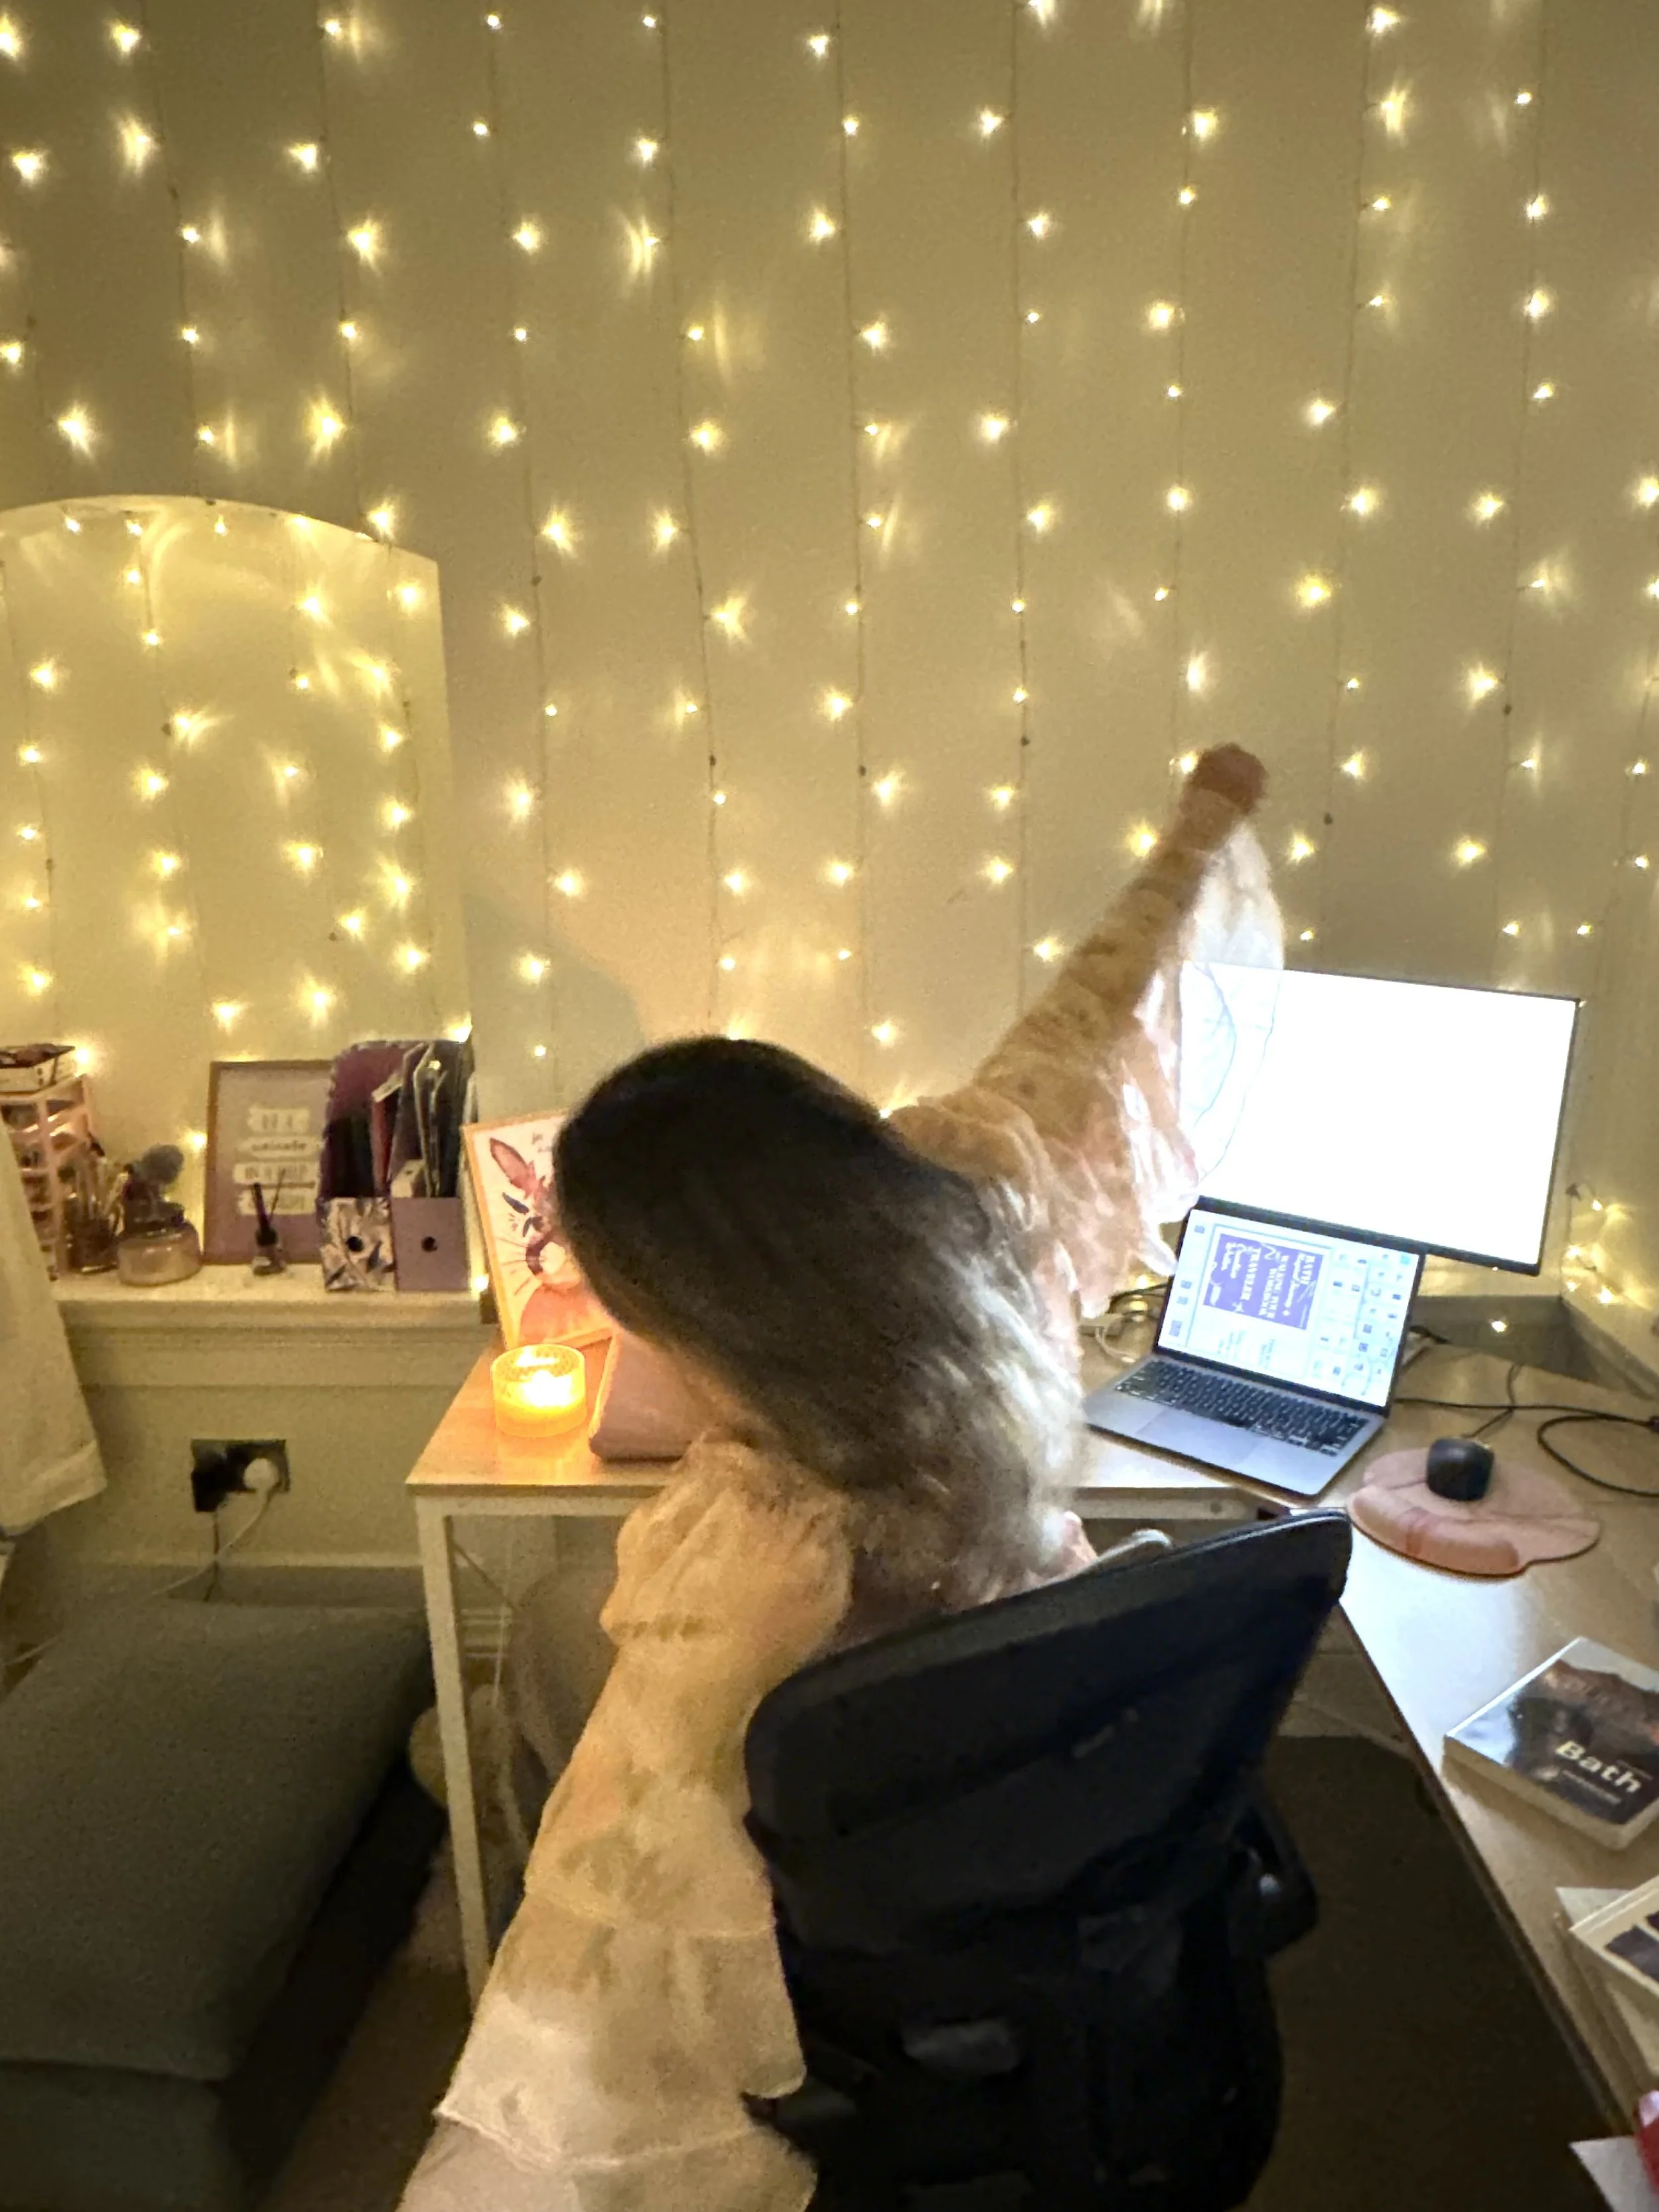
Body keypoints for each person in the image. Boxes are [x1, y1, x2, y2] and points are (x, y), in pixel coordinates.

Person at [400, 745, 1277, 2212]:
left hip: (854, 1870)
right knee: (560, 1639)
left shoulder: (750, 1556)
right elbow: (1097, 999)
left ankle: (478, 1779)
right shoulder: (979, 1208)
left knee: (561, 1662)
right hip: (1022, 1739)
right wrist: (1205, 819)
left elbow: (608, 1934)